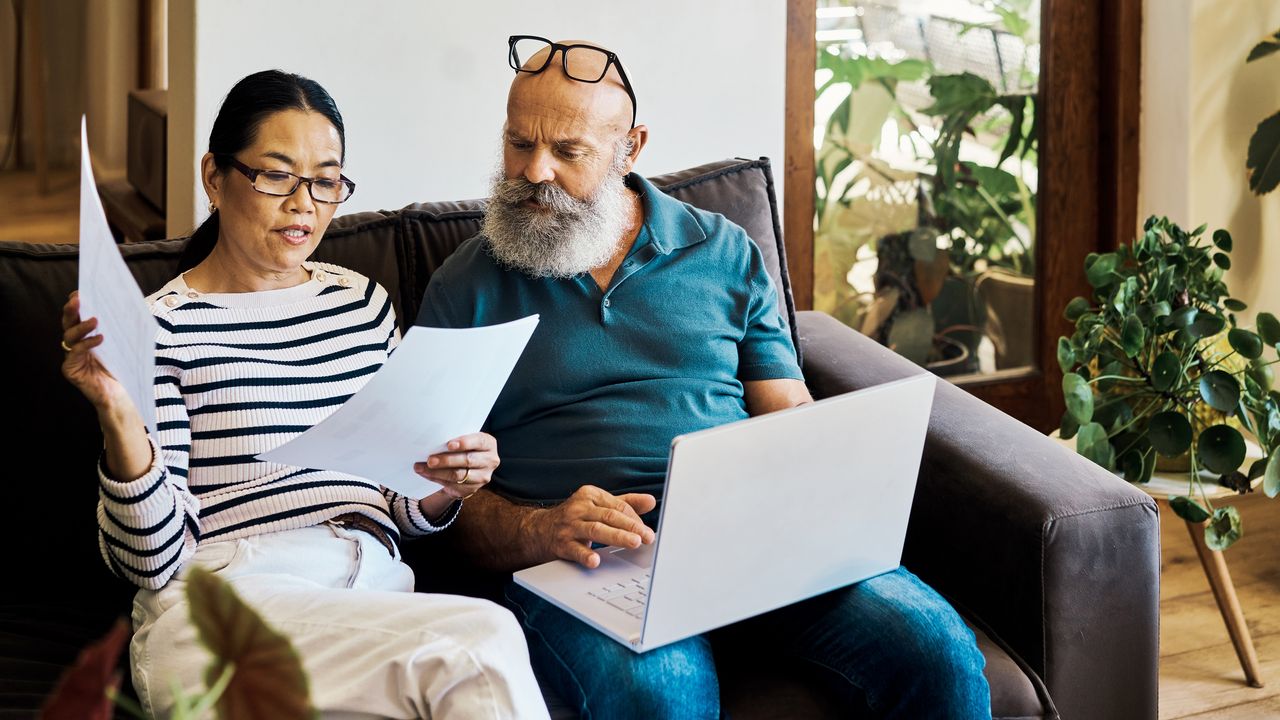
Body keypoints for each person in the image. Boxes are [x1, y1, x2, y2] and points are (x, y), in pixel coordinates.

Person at [416, 37, 992, 719]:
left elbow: (788, 411)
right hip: (584, 565)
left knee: (936, 649)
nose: (534, 171)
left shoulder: (723, 250)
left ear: (631, 148)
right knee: (659, 697)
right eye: (519, 143)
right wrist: (543, 529)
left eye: (568, 152)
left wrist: (825, 491)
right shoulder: (467, 283)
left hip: (748, 542)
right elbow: (437, 500)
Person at [60, 70, 548, 720]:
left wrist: (448, 482)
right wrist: (120, 419)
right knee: (481, 641)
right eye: (277, 175)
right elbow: (151, 559)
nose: (304, 203)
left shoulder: (362, 304)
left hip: (372, 594)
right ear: (215, 176)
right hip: (228, 598)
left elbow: (402, 503)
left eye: (325, 180)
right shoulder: (160, 325)